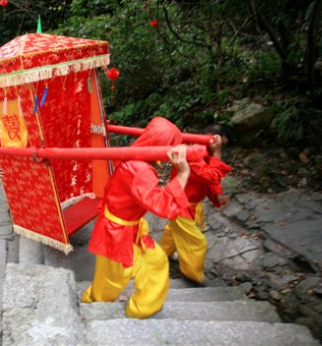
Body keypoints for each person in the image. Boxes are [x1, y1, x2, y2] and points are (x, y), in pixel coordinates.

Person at [81, 117, 193, 319]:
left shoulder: (135, 157)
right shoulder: (140, 170)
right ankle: (91, 309)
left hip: (128, 228)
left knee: (155, 263)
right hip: (116, 233)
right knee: (110, 282)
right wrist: (183, 174)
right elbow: (162, 205)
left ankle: (141, 308)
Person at [159, 124, 232, 284]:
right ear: (213, 138)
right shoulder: (191, 154)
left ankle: (164, 253)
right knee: (197, 242)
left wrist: (218, 194)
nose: (219, 148)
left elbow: (210, 180)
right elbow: (211, 175)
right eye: (219, 144)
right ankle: (192, 274)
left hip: (187, 203)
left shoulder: (205, 153)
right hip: (180, 204)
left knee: (173, 229)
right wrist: (217, 154)